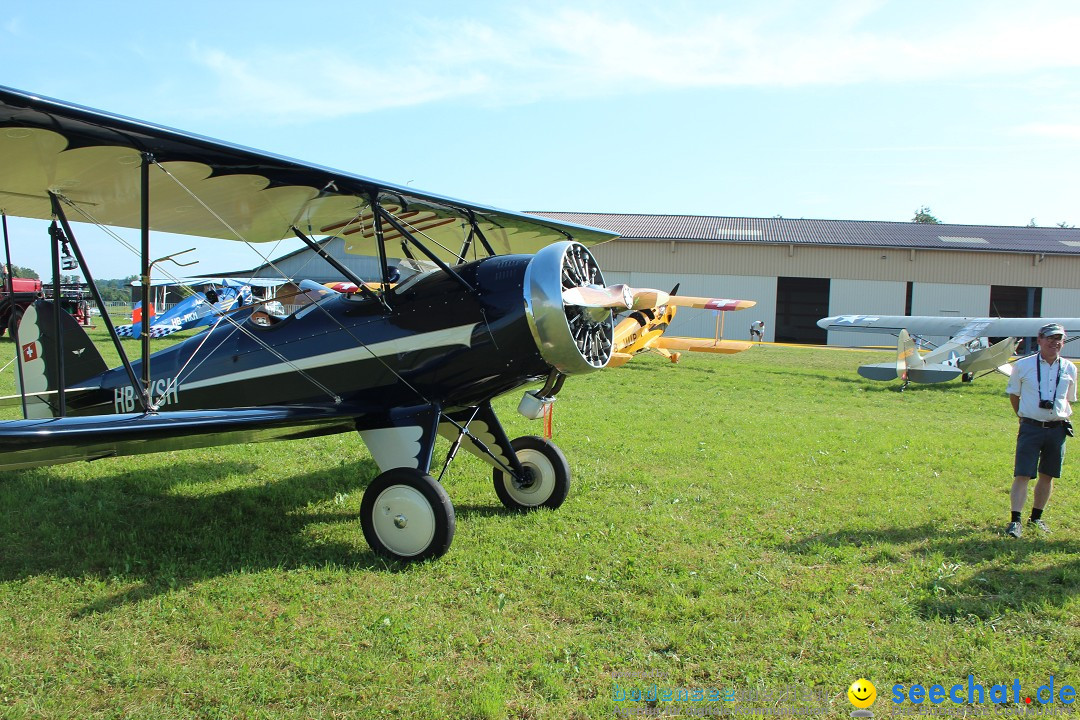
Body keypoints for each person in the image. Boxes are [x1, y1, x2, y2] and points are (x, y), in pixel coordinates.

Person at [1005, 323, 1076, 538]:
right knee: (1023, 474)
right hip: (1031, 427)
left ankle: (1036, 518)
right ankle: (1015, 521)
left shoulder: (1070, 368)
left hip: (1057, 429)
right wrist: (1023, 417)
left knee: (1048, 475)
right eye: (1050, 338)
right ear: (1039, 340)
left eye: (1059, 339)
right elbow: (1013, 395)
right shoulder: (1023, 365)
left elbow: (1069, 399)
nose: (1055, 342)